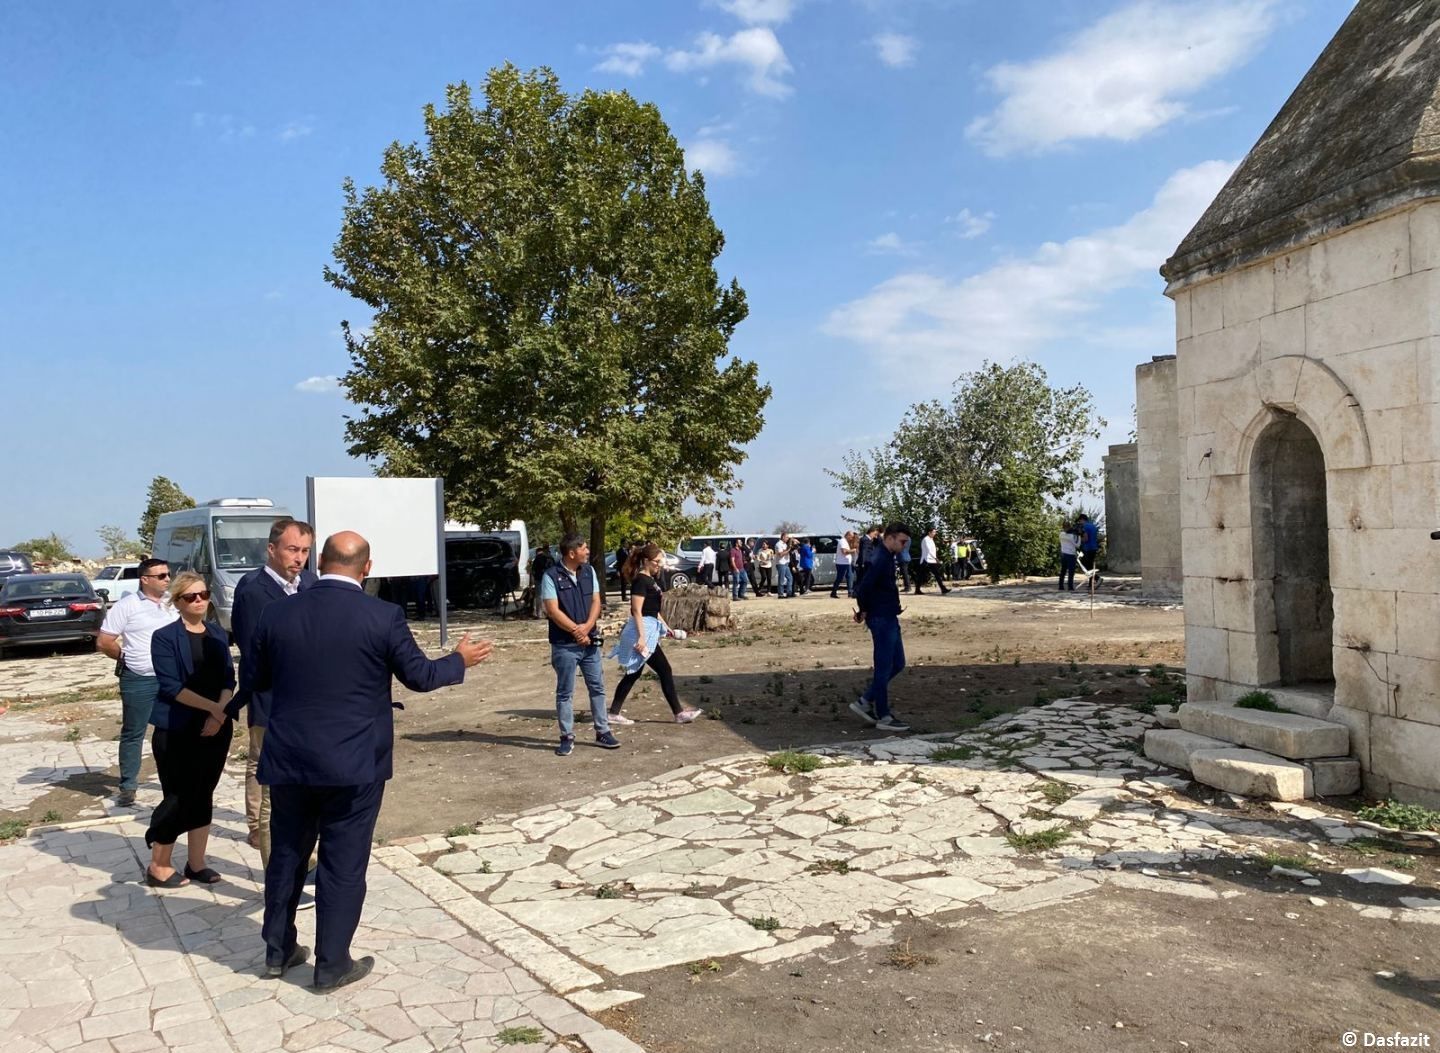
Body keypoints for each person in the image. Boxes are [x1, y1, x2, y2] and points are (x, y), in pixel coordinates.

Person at [240, 531, 491, 990]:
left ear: (320, 561)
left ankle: (278, 951)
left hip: (291, 756)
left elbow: (254, 676)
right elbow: (419, 676)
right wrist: (459, 660)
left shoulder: (277, 613)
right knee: (342, 862)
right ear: (367, 568)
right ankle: (331, 964)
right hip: (354, 762)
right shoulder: (383, 615)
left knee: (288, 856)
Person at [230, 518, 318, 860]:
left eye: (306, 551)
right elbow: (253, 649)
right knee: (263, 766)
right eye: (292, 549)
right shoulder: (253, 589)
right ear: (272, 549)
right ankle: (258, 829)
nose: (299, 558)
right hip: (271, 696)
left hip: (309, 700)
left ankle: (303, 845)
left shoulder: (310, 583)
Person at [144, 572, 236, 888]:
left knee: (203, 794)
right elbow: (171, 687)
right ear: (178, 601)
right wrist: (213, 709)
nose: (199, 600)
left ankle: (196, 864)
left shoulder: (217, 634)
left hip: (216, 727)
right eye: (190, 597)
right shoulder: (165, 637)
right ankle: (158, 865)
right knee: (179, 795)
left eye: (203, 594)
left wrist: (220, 714)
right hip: (178, 730)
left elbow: (228, 679)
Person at [96, 557, 179, 807]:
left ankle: (175, 781)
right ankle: (128, 785)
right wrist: (125, 657)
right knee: (134, 732)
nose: (167, 579)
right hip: (139, 678)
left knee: (174, 731)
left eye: (168, 574)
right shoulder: (127, 605)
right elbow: (104, 641)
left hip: (172, 679)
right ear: (145, 579)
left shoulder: (172, 604)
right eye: (161, 576)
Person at [607, 543, 704, 726]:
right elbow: (637, 610)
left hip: (649, 630)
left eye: (661, 561)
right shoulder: (640, 581)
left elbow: (654, 610)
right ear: (646, 561)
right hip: (641, 632)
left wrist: (668, 629)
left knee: (634, 673)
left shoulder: (650, 580)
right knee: (663, 670)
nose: (659, 565)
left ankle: (613, 712)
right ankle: (679, 713)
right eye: (656, 561)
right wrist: (642, 638)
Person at [541, 534, 620, 756]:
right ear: (572, 553)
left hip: (590, 643)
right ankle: (566, 736)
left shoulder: (589, 572)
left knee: (597, 687)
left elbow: (596, 601)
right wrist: (577, 631)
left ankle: (603, 731)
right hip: (565, 645)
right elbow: (552, 610)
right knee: (565, 692)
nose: (587, 551)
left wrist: (586, 628)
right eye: (584, 548)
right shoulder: (551, 576)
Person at [849, 522, 913, 733]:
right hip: (881, 618)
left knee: (898, 663)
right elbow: (863, 588)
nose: (904, 545)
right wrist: (864, 610)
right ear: (890, 538)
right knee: (884, 667)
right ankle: (884, 715)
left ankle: (865, 701)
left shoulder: (887, 556)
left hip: (888, 616)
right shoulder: (878, 558)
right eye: (902, 541)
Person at [915, 528, 950, 595]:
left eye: (935, 532)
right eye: (933, 532)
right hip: (927, 559)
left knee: (936, 574)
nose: (935, 533)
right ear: (929, 532)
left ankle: (943, 588)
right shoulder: (926, 539)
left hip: (931, 559)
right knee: (922, 575)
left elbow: (932, 550)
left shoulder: (931, 539)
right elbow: (929, 550)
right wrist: (935, 558)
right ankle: (917, 589)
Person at [530, 545, 554, 619]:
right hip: (549, 579)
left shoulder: (538, 557)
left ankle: (539, 614)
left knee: (539, 596)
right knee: (549, 596)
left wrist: (533, 579)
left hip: (539, 578)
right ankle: (548, 613)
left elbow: (533, 569)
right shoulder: (551, 558)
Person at [1078, 514, 1101, 586]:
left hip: (1088, 548)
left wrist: (1079, 539)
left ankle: (1097, 578)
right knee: (1090, 565)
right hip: (1094, 547)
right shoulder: (1093, 526)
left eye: (1080, 521)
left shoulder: (1084, 527)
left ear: (1082, 519)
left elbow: (1085, 539)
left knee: (1085, 564)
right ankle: (1091, 583)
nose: (1079, 522)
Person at [831, 531, 853, 599]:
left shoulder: (845, 542)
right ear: (847, 535)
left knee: (850, 576)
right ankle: (833, 592)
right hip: (842, 563)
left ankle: (850, 592)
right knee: (840, 578)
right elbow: (844, 552)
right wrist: (853, 551)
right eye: (851, 536)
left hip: (846, 563)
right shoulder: (842, 541)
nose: (851, 538)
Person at [1059, 522, 1080, 592]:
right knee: (1071, 572)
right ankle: (1070, 586)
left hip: (1063, 554)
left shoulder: (1061, 534)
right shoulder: (1071, 536)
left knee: (1063, 571)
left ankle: (1061, 586)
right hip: (1071, 555)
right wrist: (1079, 536)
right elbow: (1077, 545)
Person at [774, 534, 793, 599]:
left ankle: (789, 593)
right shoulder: (778, 544)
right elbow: (781, 554)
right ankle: (780, 594)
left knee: (790, 578)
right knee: (781, 579)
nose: (788, 538)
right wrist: (788, 550)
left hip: (786, 563)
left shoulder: (785, 544)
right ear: (783, 537)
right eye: (786, 537)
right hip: (781, 563)